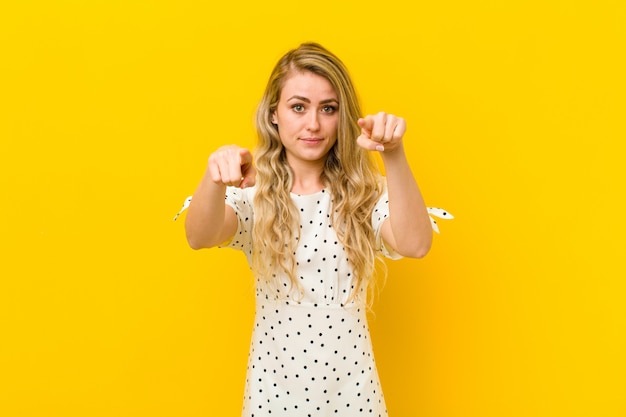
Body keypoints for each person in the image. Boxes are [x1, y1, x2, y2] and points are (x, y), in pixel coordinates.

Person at [185, 42, 433, 417]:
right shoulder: (253, 195)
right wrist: (214, 175)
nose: (313, 124)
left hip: (354, 397)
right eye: (298, 107)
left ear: (342, 116)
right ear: (274, 115)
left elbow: (415, 244)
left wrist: (393, 153)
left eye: (327, 109)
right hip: (273, 398)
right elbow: (198, 236)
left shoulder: (363, 195)